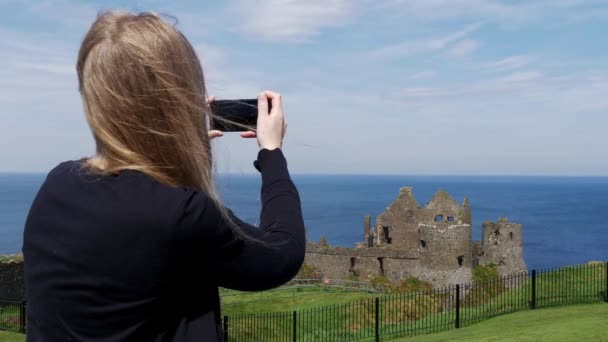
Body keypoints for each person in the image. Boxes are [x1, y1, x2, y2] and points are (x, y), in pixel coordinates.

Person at [22, 11, 305, 341]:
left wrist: (184, 153)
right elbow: (281, 254)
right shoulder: (181, 214)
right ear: (180, 99)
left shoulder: (57, 184)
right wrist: (271, 154)